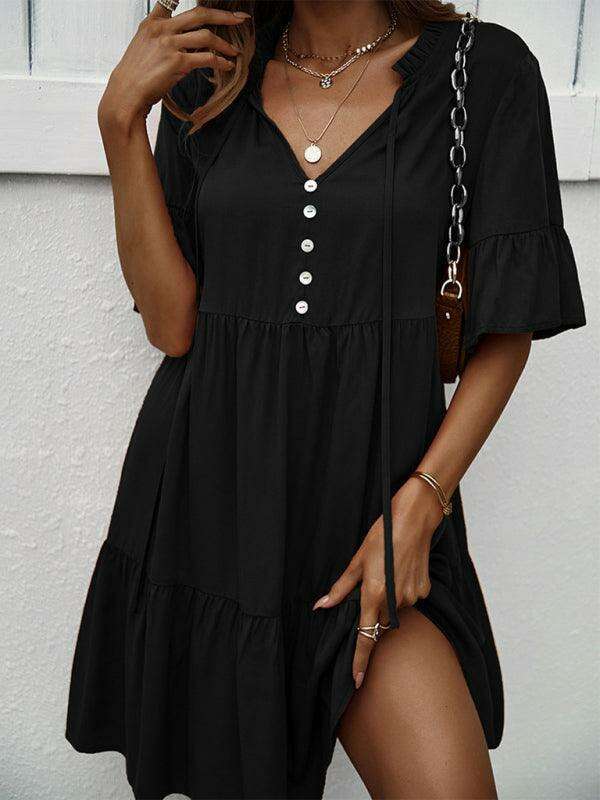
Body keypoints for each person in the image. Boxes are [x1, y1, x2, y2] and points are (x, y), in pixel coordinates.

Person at [65, 1, 587, 798]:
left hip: (376, 522)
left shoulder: (482, 73)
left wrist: (423, 502)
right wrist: (119, 125)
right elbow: (172, 326)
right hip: (215, 519)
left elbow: (506, 329)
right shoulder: (209, 75)